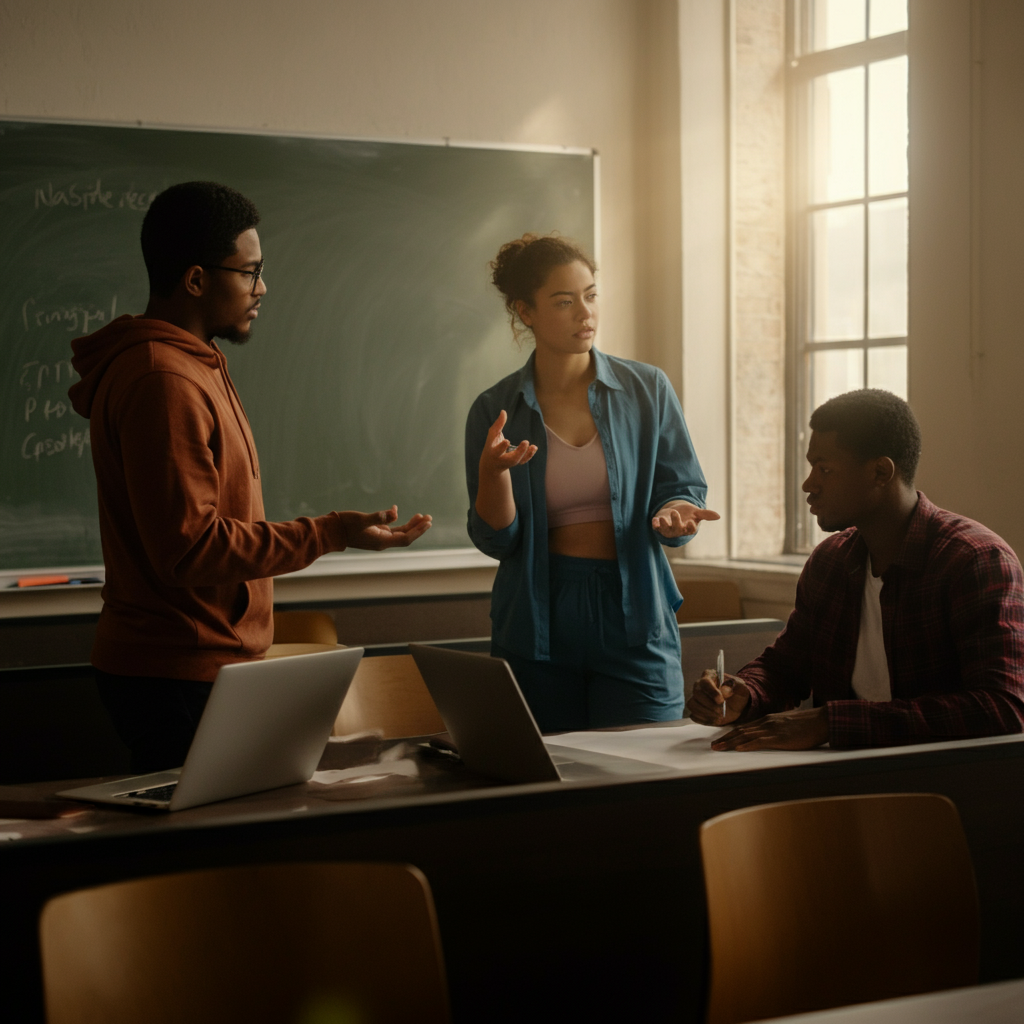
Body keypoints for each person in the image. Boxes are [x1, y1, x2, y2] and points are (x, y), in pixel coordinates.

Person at [68, 181, 432, 772]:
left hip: (194, 666)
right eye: (250, 272)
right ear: (195, 280)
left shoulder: (192, 364)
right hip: (176, 673)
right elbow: (188, 550)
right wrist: (330, 532)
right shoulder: (166, 380)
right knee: (218, 852)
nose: (263, 288)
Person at [465, 233, 719, 732]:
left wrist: (677, 513)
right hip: (537, 617)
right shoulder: (494, 409)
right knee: (549, 784)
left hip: (635, 610)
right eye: (564, 301)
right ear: (526, 310)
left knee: (648, 774)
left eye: (591, 294)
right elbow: (498, 539)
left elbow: (683, 486)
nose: (586, 312)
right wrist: (494, 476)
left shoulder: (647, 388)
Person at [690, 388, 1024, 749]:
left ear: (881, 471)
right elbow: (784, 669)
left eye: (825, 468)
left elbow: (1002, 706)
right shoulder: (830, 561)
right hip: (842, 776)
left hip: (946, 785)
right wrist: (744, 693)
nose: (809, 485)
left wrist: (831, 723)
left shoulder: (974, 560)